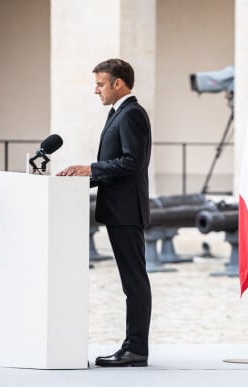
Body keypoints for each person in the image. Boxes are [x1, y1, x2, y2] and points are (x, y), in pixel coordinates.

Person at [57, 58, 152, 367]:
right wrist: (85, 175)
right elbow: (119, 165)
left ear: (118, 84)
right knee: (131, 282)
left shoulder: (131, 114)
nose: (95, 90)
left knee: (134, 282)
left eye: (100, 84)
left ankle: (136, 348)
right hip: (118, 211)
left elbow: (132, 162)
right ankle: (134, 346)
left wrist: (92, 168)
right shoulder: (119, 114)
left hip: (126, 212)